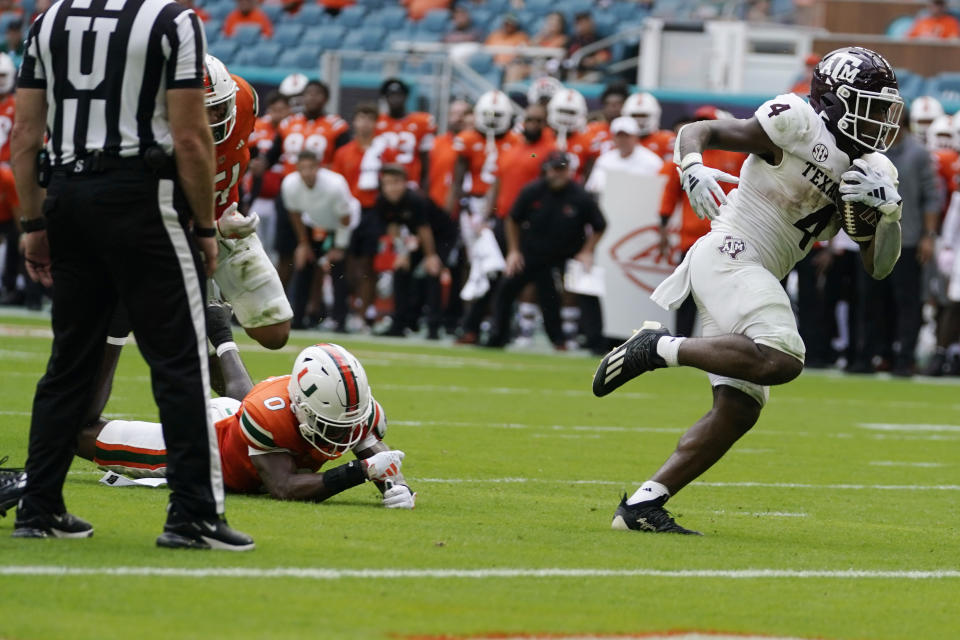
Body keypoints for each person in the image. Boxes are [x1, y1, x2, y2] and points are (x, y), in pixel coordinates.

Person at [592, 47, 904, 534]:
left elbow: (879, 266)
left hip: (755, 270)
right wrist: (690, 165)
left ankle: (641, 507)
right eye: (873, 104)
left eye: (885, 108)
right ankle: (657, 348)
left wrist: (889, 218)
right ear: (838, 98)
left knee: (739, 408)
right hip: (731, 250)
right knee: (783, 356)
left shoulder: (875, 170)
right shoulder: (798, 121)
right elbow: (702, 130)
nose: (882, 118)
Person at [12, 0, 253, 549]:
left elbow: (26, 134)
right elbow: (191, 138)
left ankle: (40, 506)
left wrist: (32, 220)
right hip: (142, 196)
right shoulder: (172, 21)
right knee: (180, 362)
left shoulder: (48, 21)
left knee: (68, 361)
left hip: (67, 195)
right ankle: (191, 514)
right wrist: (204, 227)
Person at [75, 343, 415, 508]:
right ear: (302, 406)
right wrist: (358, 472)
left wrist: (394, 486)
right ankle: (113, 336)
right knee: (78, 435)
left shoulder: (349, 409)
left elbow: (372, 446)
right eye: (334, 426)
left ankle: (219, 335)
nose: (343, 436)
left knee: (244, 399)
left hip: (240, 416)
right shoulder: (270, 415)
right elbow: (283, 486)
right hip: (205, 444)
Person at [205, 56, 292, 351]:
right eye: (206, 109)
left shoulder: (245, 100)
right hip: (175, 234)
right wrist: (214, 228)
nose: (216, 115)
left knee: (274, 331)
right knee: (199, 346)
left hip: (226, 219)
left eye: (219, 105)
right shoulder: (158, 127)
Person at [849, 108, 940, 376]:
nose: (884, 125)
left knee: (907, 303)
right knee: (870, 301)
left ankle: (904, 360)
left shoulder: (919, 154)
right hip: (873, 237)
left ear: (904, 124)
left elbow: (931, 197)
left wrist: (928, 236)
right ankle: (870, 357)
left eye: (890, 121)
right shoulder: (870, 151)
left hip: (908, 238)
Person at [487, 151, 606, 349]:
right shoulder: (532, 191)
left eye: (562, 169)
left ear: (569, 170)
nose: (558, 174)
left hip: (567, 255)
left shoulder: (580, 196)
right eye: (554, 169)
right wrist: (514, 251)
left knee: (587, 290)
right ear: (546, 170)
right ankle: (497, 337)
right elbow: (512, 219)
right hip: (533, 252)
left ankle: (596, 343)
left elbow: (600, 225)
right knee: (506, 288)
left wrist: (587, 251)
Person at [656, 106, 746, 338]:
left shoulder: (735, 155)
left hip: (729, 236)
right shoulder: (686, 159)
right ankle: (681, 342)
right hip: (692, 238)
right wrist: (664, 223)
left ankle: (727, 342)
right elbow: (670, 192)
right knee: (686, 295)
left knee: (727, 294)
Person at [283, 150, 358, 331]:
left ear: (319, 167)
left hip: (342, 226)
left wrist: (339, 247)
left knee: (337, 269)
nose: (307, 173)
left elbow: (345, 219)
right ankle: (299, 318)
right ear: (297, 169)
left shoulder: (335, 185)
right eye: (303, 168)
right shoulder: (289, 184)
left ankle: (340, 321)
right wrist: (303, 243)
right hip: (314, 225)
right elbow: (294, 213)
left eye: (311, 168)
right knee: (304, 265)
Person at [374, 164, 446, 338]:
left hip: (440, 238)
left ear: (405, 183)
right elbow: (393, 228)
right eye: (387, 183)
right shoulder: (382, 202)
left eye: (396, 182)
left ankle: (433, 327)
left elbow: (425, 230)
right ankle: (399, 324)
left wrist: (430, 256)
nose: (392, 187)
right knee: (400, 271)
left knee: (432, 272)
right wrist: (402, 254)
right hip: (413, 241)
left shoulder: (416, 200)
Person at [366, 78, 436, 189]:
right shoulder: (377, 122)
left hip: (412, 184)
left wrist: (424, 186)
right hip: (384, 186)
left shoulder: (421, 122)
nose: (395, 99)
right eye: (390, 95)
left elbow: (426, 158)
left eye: (399, 95)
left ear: (406, 97)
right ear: (385, 98)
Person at [248, 91, 292, 263]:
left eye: (282, 109)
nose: (278, 114)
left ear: (289, 110)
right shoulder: (257, 126)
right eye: (274, 109)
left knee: (276, 244)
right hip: (258, 194)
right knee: (255, 240)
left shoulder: (293, 128)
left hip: (281, 195)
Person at [585, 116, 663, 195]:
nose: (623, 140)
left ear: (636, 137)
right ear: (613, 138)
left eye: (627, 136)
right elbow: (592, 188)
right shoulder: (604, 160)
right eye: (619, 136)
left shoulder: (652, 162)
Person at [621, 92, 676, 163]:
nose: (639, 121)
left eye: (643, 116)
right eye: (635, 115)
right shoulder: (620, 139)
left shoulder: (667, 139)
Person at [565, 12, 610, 82]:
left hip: (593, 71)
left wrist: (594, 60)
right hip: (574, 72)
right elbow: (569, 56)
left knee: (593, 77)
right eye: (579, 23)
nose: (583, 26)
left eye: (585, 22)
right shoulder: (573, 40)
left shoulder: (599, 39)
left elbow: (605, 55)